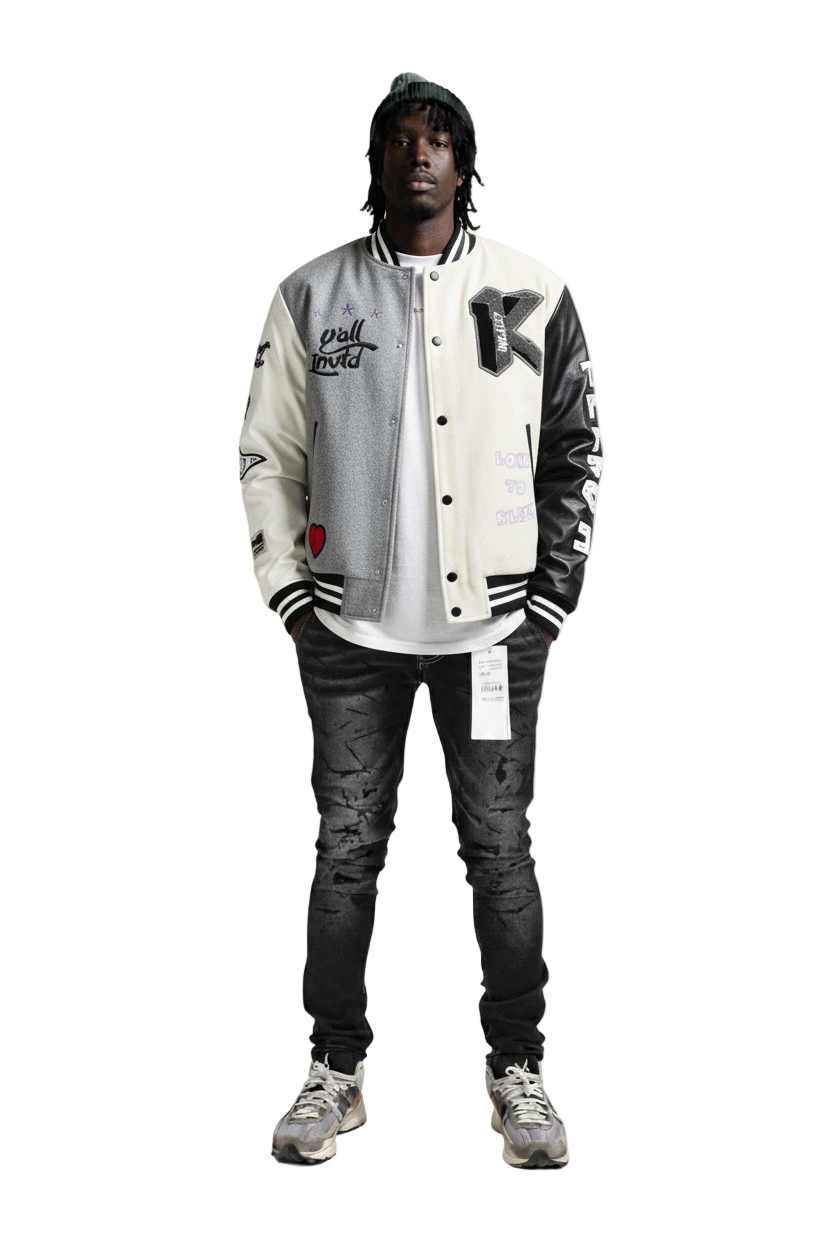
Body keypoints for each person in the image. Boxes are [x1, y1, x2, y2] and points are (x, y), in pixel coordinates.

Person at [239, 72, 602, 1169]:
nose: (419, 156)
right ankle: (333, 1071)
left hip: (493, 639)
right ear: (377, 163)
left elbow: (575, 449)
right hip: (349, 638)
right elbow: (267, 452)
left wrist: (547, 598)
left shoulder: (530, 293)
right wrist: (291, 593)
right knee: (347, 849)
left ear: (465, 162)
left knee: (500, 850)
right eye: (400, 140)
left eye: (438, 139)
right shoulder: (312, 295)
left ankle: (518, 1072)